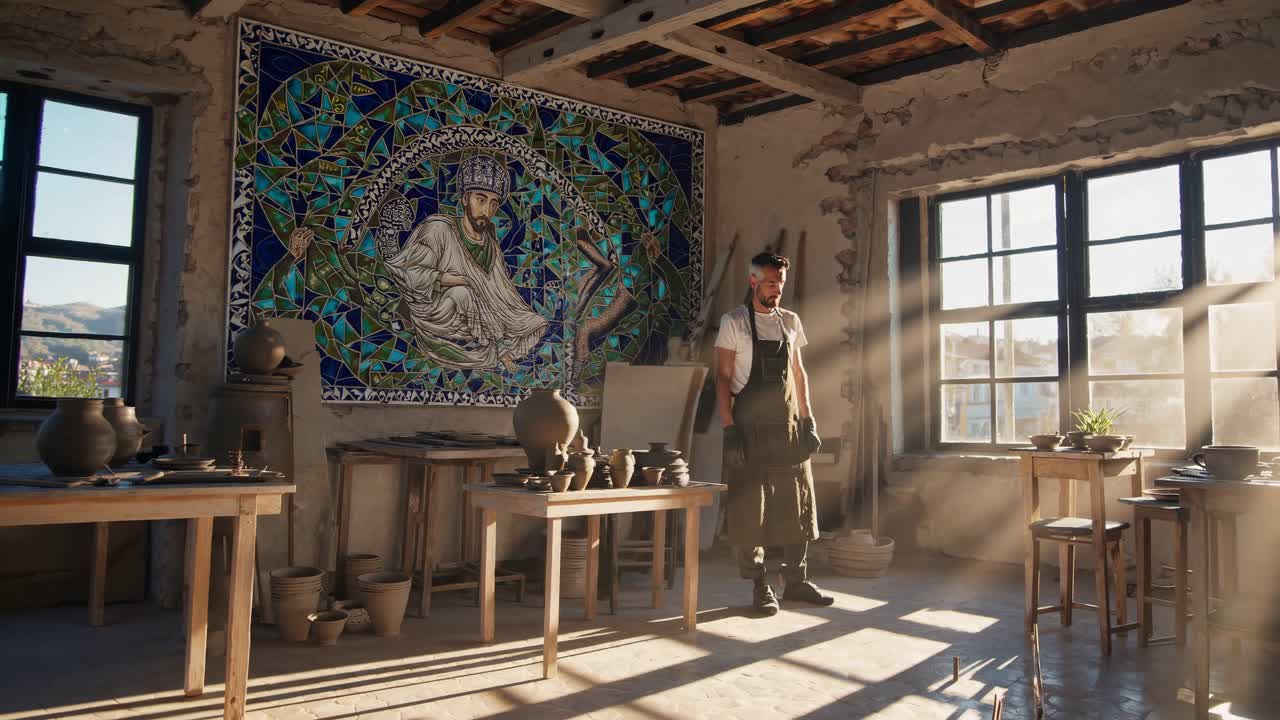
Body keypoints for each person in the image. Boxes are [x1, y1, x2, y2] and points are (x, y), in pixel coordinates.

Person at [715, 252, 833, 616]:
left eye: (780, 282)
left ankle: (796, 581)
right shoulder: (733, 322)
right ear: (753, 281)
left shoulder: (791, 321)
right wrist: (729, 428)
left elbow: (798, 374)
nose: (776, 289)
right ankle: (759, 584)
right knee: (753, 509)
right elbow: (721, 377)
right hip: (749, 428)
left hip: (788, 425)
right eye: (770, 282)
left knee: (797, 502)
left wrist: (809, 420)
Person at [381, 154, 547, 371]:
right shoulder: (439, 229)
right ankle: (496, 346)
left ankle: (492, 341)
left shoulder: (490, 244)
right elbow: (410, 273)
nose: (487, 210)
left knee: (536, 324)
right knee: (462, 293)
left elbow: (503, 293)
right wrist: (443, 278)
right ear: (465, 198)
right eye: (481, 199)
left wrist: (515, 318)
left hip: (478, 314)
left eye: (493, 203)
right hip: (437, 311)